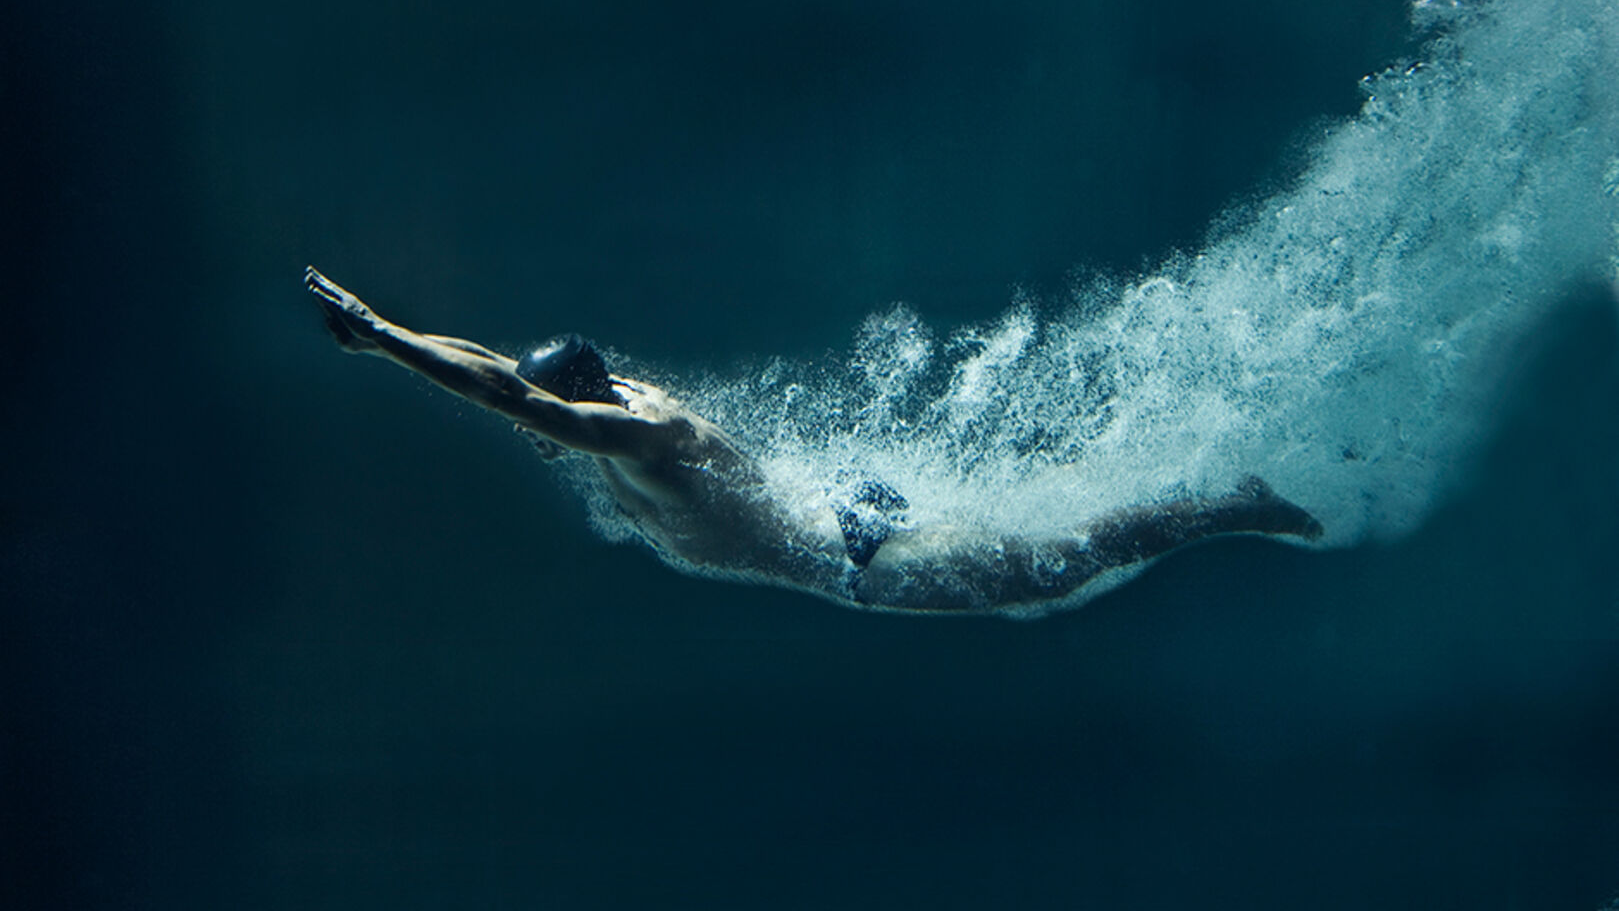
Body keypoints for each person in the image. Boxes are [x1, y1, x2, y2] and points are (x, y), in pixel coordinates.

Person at [305, 266, 1324, 616]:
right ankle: (1193, 492)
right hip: (840, 510)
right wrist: (389, 336)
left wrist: (386, 339)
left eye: (543, 420)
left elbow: (511, 398)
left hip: (856, 557)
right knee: (1031, 541)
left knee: (1053, 571)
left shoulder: (637, 435)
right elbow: (502, 372)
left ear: (574, 408)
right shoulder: (615, 397)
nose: (531, 434)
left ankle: (1228, 502)